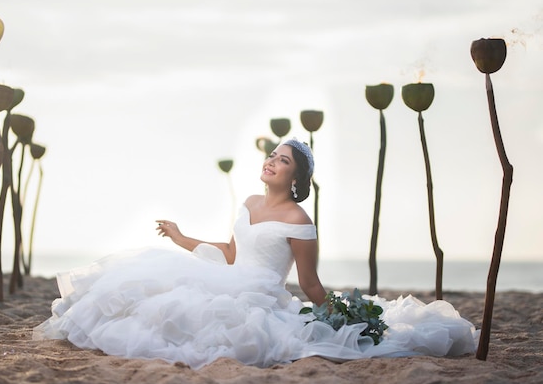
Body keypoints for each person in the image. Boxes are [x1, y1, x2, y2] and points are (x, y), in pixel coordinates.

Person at [33, 138, 478, 369]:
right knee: (150, 293)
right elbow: (229, 251)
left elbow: (308, 284)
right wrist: (181, 237)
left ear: (296, 175)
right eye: (272, 155)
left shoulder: (301, 222)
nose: (272, 161)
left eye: (283, 160)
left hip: (261, 296)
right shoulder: (248, 202)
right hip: (227, 278)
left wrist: (341, 317)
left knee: (211, 327)